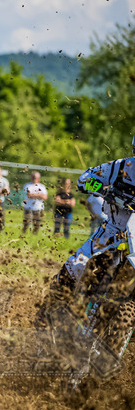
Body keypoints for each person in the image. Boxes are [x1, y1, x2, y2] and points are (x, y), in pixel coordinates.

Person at [37, 136, 135, 326]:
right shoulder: (122, 167)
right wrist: (105, 190)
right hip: (114, 231)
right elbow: (85, 178)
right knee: (76, 265)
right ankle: (47, 311)